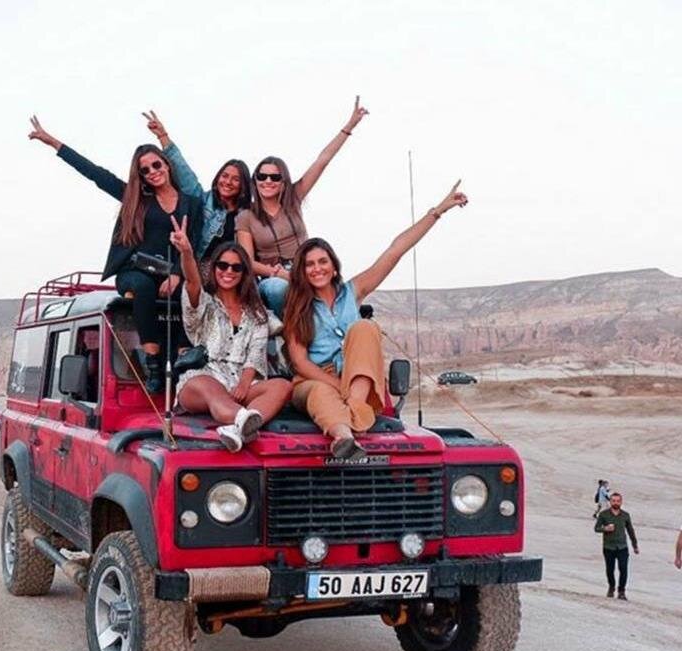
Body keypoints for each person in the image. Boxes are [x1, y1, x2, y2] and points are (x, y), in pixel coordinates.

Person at [283, 181, 469, 461]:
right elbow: (300, 362)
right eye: (310, 264)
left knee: (365, 327)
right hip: (314, 378)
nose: (317, 268)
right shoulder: (298, 306)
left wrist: (438, 211)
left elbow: (395, 251)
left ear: (333, 266)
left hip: (355, 378)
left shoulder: (353, 292)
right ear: (302, 270)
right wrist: (338, 387)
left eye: (322, 261)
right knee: (320, 392)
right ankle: (344, 438)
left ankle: (353, 413)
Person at [28, 116, 203, 393]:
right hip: (134, 271)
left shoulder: (192, 204)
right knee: (143, 288)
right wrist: (53, 143)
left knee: (192, 292)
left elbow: (194, 243)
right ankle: (153, 365)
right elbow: (96, 174)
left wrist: (178, 275)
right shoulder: (137, 200)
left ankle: (184, 361)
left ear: (167, 165)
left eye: (156, 165)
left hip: (172, 271)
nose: (153, 172)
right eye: (145, 170)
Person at [236, 96, 369, 316]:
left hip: (306, 266)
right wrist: (278, 273)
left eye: (274, 177)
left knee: (335, 287)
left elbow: (322, 161)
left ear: (283, 181)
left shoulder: (294, 198)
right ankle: (289, 331)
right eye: (262, 176)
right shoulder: (246, 216)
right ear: (255, 180)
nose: (268, 181)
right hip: (274, 274)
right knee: (278, 290)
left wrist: (349, 126)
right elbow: (247, 261)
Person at [168, 217, 292, 451]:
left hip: (240, 381)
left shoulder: (257, 313)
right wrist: (186, 252)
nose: (228, 271)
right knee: (210, 388)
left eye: (236, 267)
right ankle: (243, 420)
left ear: (244, 272)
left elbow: (255, 354)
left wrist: (244, 385)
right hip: (204, 377)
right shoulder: (204, 304)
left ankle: (238, 431)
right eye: (223, 265)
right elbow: (193, 282)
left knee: (282, 387)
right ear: (214, 268)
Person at [143, 110, 252, 261]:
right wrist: (162, 136)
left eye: (235, 179)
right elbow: (183, 172)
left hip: (234, 269)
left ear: (243, 185)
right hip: (202, 266)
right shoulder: (203, 201)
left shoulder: (248, 213)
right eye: (225, 176)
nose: (228, 182)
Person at [594, 492, 639, 600]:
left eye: (618, 501)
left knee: (623, 569)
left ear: (621, 502)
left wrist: (635, 545)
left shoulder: (625, 515)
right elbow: (596, 528)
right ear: (610, 502)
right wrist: (605, 528)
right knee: (610, 569)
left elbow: (630, 530)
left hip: (622, 547)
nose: (616, 503)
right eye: (613, 501)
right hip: (608, 547)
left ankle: (621, 591)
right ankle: (611, 587)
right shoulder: (604, 514)